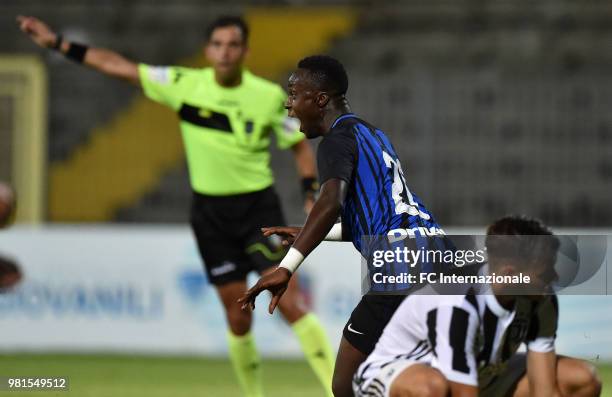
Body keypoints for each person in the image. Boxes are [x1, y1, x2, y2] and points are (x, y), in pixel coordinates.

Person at [18, 15, 334, 397]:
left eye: (233, 45)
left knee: (290, 303)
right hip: (210, 216)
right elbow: (121, 68)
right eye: (217, 44)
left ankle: (339, 389)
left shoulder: (267, 97)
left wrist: (308, 189)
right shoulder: (185, 84)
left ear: (245, 51)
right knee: (237, 316)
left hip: (258, 212)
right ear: (207, 50)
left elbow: (298, 144)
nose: (225, 52)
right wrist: (57, 43)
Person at [239, 55, 451, 397]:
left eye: (294, 94)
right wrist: (314, 231)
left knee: (345, 384)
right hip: (440, 256)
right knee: (432, 373)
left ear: (320, 99)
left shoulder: (335, 141)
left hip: (401, 266)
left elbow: (330, 201)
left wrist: (287, 265)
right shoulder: (373, 134)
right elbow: (375, 218)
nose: (288, 106)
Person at [352, 215, 602, 397]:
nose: (554, 278)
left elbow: (544, 390)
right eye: (545, 272)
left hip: (480, 376)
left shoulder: (540, 299)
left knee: (581, 379)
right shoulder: (454, 302)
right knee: (430, 389)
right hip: (398, 379)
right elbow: (462, 393)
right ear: (511, 273)